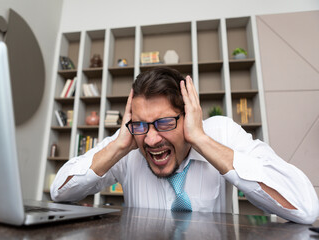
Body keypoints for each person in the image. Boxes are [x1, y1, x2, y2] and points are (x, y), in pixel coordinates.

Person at [51, 67, 318, 224]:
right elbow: (59, 192)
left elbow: (306, 208)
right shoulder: (132, 138)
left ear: (188, 115)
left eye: (165, 122)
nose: (152, 139)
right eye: (142, 124)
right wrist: (119, 147)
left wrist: (201, 140)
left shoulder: (219, 132)